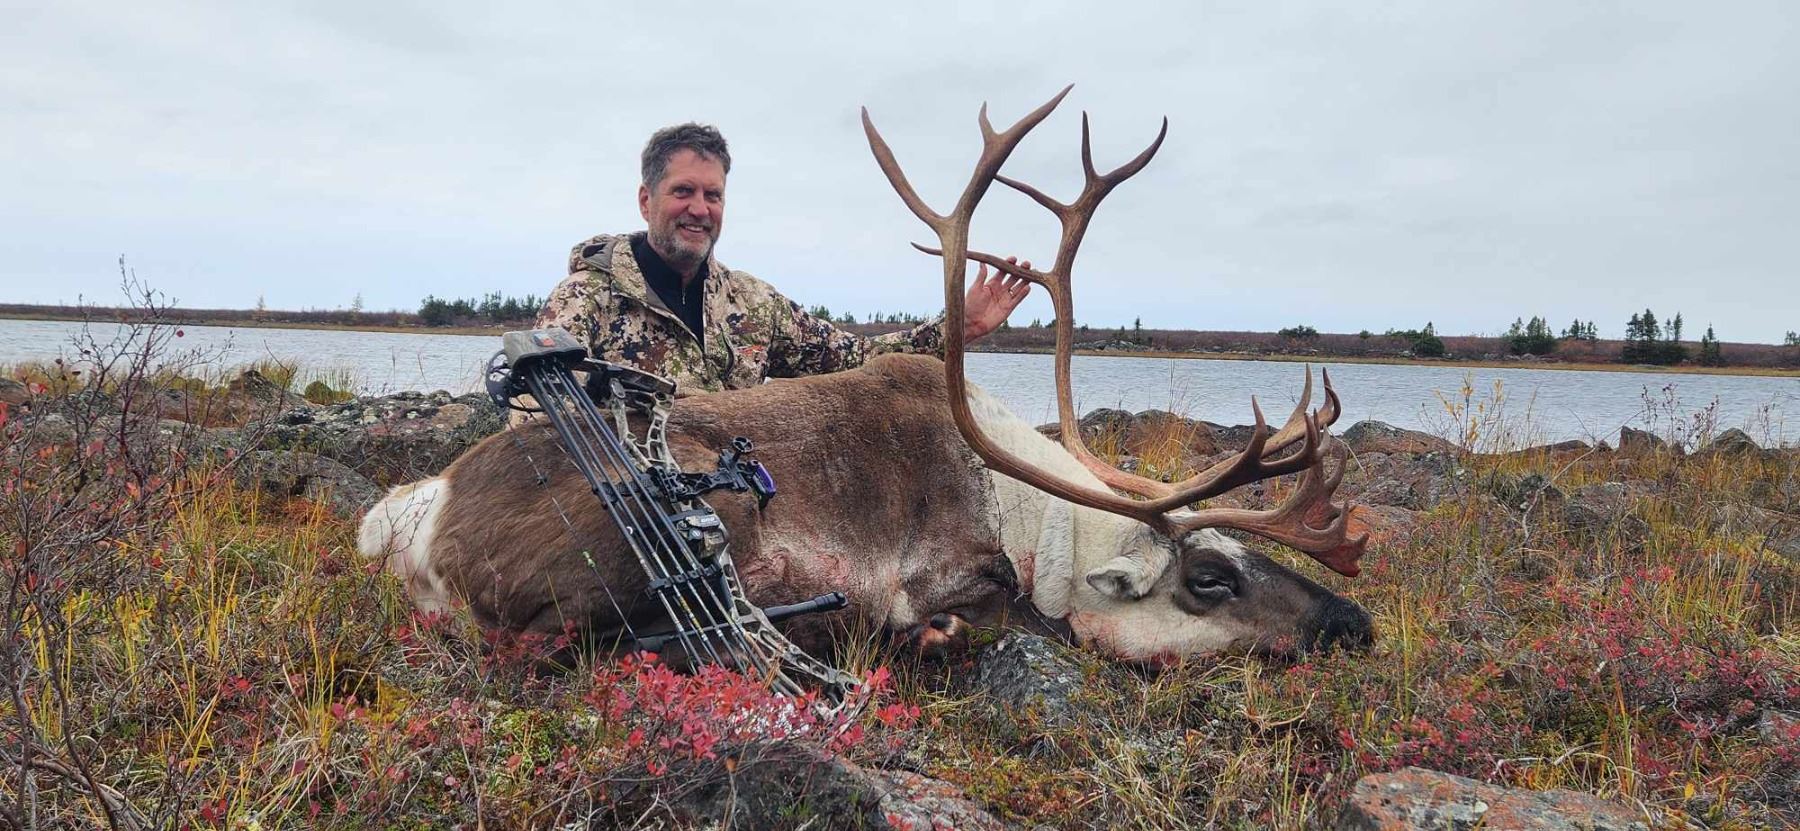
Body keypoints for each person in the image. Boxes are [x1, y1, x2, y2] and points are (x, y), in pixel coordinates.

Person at [536, 122, 1030, 395]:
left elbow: (854, 360)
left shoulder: (752, 304)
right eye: (683, 191)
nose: (700, 209)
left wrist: (958, 327)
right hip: (625, 521)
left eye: (713, 195)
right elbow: (536, 427)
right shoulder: (586, 300)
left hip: (739, 515)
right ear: (646, 201)